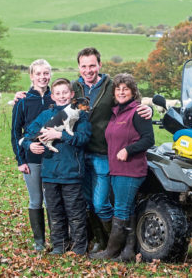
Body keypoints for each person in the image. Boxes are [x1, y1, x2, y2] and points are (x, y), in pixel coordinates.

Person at [71, 47, 153, 253]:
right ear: (79, 67)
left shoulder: (110, 86)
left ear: (99, 65)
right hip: (80, 153)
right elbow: (56, 100)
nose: (88, 70)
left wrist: (147, 108)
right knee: (89, 202)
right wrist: (24, 96)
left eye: (92, 65)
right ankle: (100, 240)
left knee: (102, 203)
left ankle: (113, 243)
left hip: (104, 153)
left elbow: (130, 99)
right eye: (84, 66)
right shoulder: (74, 87)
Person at [21, 78, 92, 255]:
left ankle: (78, 248)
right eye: (58, 93)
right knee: (54, 211)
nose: (61, 96)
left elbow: (83, 139)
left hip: (71, 172)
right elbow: (29, 134)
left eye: (65, 93)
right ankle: (59, 245)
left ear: (72, 95)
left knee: (75, 212)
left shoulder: (81, 116)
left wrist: (59, 135)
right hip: (50, 172)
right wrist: (29, 145)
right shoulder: (46, 115)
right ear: (52, 96)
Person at [90, 73, 154, 261]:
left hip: (130, 170)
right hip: (117, 169)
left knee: (120, 210)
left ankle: (111, 251)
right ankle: (127, 251)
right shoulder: (117, 112)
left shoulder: (138, 112)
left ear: (133, 92)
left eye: (125, 89)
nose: (121, 92)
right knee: (129, 210)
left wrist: (128, 150)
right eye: (118, 89)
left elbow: (149, 139)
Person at [11, 59, 53, 251]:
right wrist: (21, 159)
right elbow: (15, 133)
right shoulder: (23, 102)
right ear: (31, 76)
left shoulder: (57, 98)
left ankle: (58, 239)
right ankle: (39, 241)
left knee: (53, 200)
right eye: (38, 74)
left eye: (46, 73)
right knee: (36, 199)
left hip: (55, 159)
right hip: (32, 159)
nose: (42, 77)